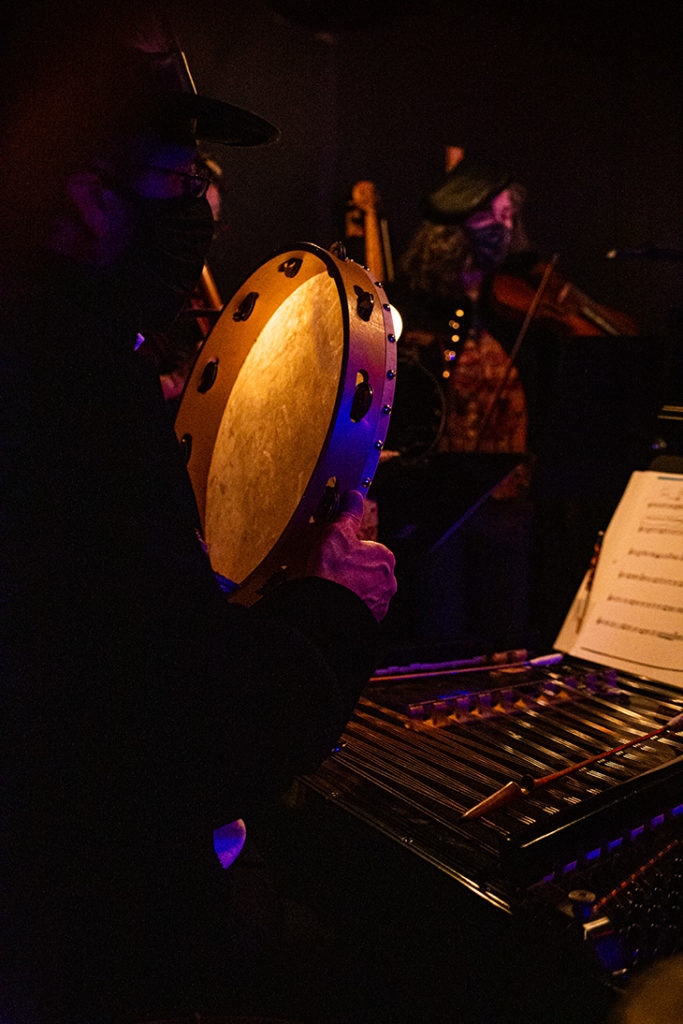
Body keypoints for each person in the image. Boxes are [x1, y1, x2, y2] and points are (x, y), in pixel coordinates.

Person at [0, 5, 396, 1023]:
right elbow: (185, 738)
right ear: (86, 205)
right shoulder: (70, 389)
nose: (203, 208)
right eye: (177, 176)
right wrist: (329, 606)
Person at [380, 149, 535, 652]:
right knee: (440, 623)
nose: (503, 227)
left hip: (506, 490)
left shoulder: (510, 300)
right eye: (491, 214)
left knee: (503, 623)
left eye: (509, 214)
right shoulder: (415, 306)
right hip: (442, 493)